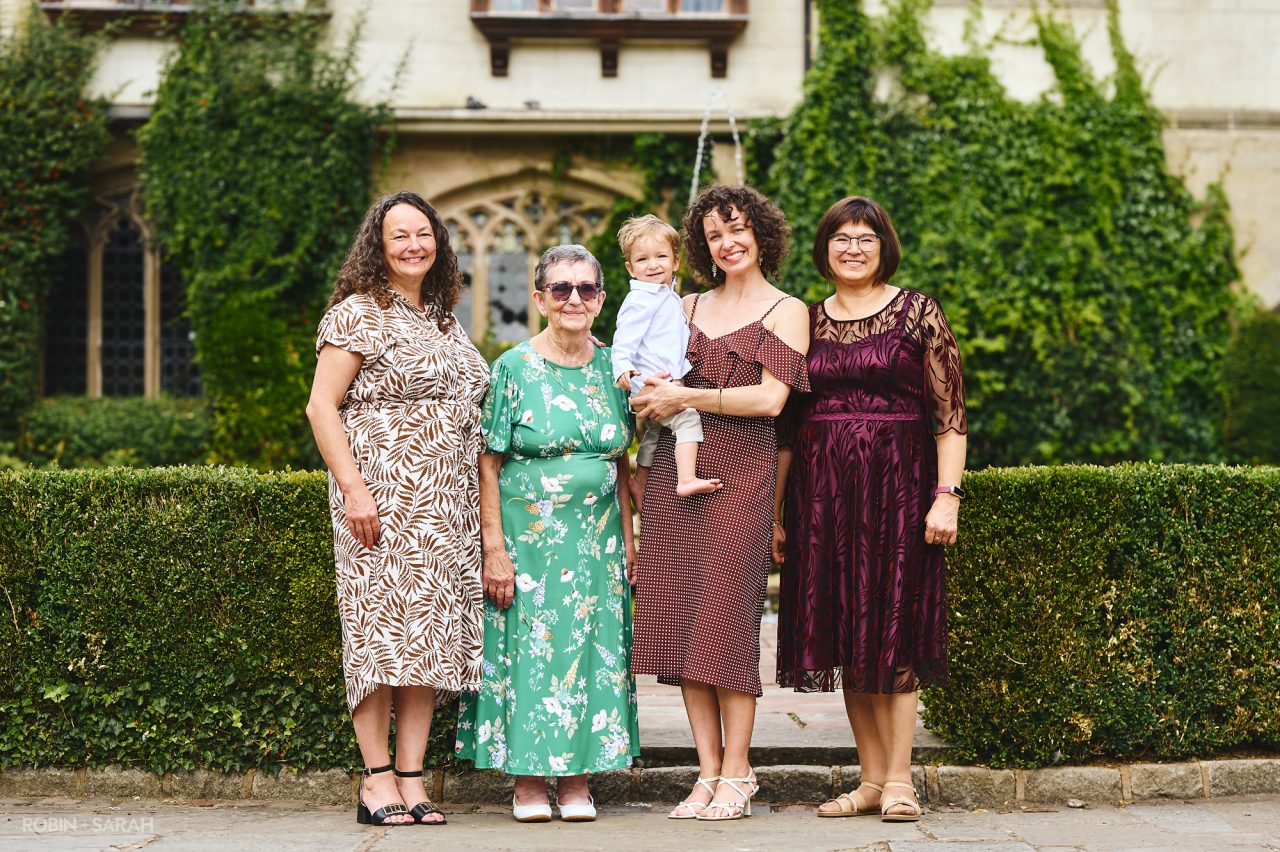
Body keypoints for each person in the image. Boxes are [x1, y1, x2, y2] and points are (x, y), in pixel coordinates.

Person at [774, 196, 968, 823]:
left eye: (865, 237)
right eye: (840, 237)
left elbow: (951, 419)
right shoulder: (804, 320)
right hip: (823, 497)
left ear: (885, 246)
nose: (852, 248)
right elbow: (785, 422)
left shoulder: (919, 312)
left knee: (896, 629)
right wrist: (778, 514)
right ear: (823, 248)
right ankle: (871, 781)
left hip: (901, 491)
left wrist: (947, 497)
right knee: (846, 633)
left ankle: (903, 781)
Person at [306, 190, 489, 826]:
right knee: (380, 640)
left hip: (448, 508)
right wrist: (354, 489)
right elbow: (321, 406)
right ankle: (374, 779)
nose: (414, 245)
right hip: (382, 502)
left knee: (428, 644)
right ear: (377, 246)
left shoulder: (443, 317)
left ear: (438, 240)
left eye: (423, 233)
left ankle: (412, 779)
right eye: (399, 235)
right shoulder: (359, 312)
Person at [630, 185, 810, 821]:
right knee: (681, 625)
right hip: (674, 478)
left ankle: (740, 770)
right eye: (713, 235)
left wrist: (688, 398)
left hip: (743, 474)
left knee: (725, 623)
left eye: (737, 230)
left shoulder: (788, 310)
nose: (727, 243)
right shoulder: (685, 304)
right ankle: (706, 772)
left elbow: (770, 401)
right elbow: (652, 374)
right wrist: (646, 392)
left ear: (761, 233)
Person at [455, 244, 640, 824]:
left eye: (586, 289)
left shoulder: (617, 367)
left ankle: (579, 779)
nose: (574, 299)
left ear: (602, 299)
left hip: (599, 539)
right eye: (560, 289)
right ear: (539, 299)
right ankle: (530, 782)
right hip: (528, 539)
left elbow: (628, 459)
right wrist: (493, 548)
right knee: (530, 654)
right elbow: (489, 459)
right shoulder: (512, 366)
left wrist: (633, 540)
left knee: (591, 651)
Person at [611, 214, 721, 499]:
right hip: (651, 381)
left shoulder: (665, 295)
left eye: (660, 256)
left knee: (655, 432)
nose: (652, 265)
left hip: (665, 378)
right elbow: (623, 339)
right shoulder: (640, 300)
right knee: (688, 420)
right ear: (630, 267)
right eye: (642, 259)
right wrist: (622, 369)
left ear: (675, 262)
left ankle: (641, 481)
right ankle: (686, 478)